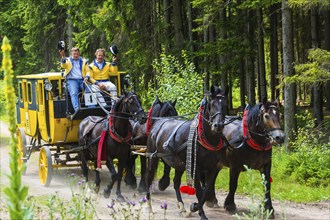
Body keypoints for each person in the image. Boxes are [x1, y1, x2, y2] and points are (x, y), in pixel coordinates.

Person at [59, 47, 89, 113]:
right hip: (72, 80)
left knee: (89, 90)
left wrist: (87, 77)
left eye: (77, 53)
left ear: (79, 53)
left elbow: (87, 71)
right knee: (74, 93)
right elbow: (63, 65)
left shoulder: (84, 61)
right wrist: (63, 56)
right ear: (71, 54)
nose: (76, 55)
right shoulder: (67, 60)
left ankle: (91, 107)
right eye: (74, 53)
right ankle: (77, 109)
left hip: (82, 80)